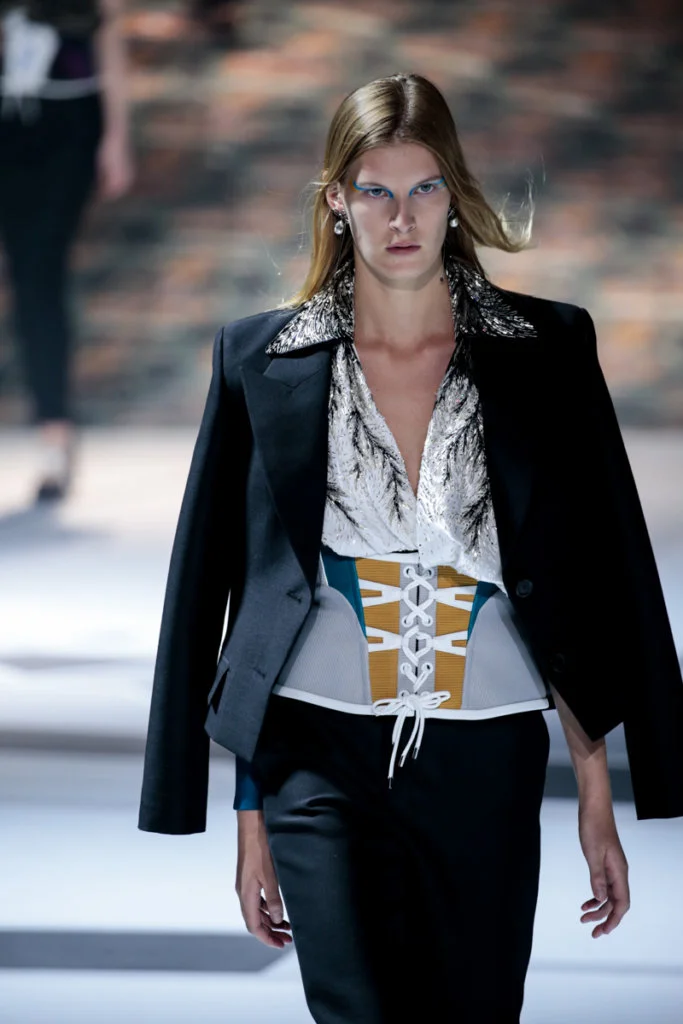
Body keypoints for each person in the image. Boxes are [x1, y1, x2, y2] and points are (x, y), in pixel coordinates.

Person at [138, 74, 683, 1023]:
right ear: (336, 201)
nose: (402, 217)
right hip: (316, 755)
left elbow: (600, 572)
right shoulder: (261, 361)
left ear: (453, 196)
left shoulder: (546, 350)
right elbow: (222, 592)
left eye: (424, 188)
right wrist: (247, 812)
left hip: (489, 753)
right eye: (376, 191)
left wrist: (597, 789)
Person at [0, 0, 133, 503]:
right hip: (7, 118)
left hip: (67, 122)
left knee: (39, 273)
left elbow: (108, 37)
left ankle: (54, 436)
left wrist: (116, 137)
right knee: (28, 276)